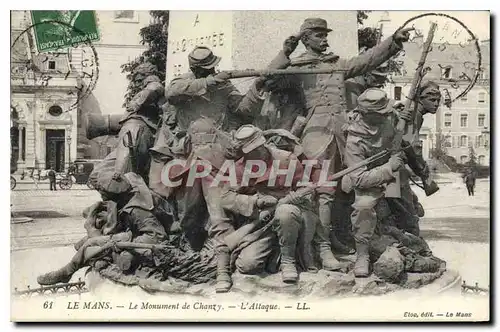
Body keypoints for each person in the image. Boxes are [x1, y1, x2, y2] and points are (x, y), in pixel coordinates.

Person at [265, 18, 412, 261]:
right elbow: (268, 80)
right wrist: (285, 53)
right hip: (315, 134)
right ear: (306, 38)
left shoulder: (337, 64)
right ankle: (322, 248)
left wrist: (393, 42)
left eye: (325, 34)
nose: (325, 39)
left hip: (343, 133)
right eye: (319, 35)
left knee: (346, 189)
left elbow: (365, 61)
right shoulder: (298, 67)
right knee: (322, 192)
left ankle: (339, 239)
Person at [216, 125, 342, 291]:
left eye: (259, 147)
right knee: (248, 265)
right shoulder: (240, 168)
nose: (257, 152)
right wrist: (256, 202)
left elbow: (306, 189)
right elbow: (225, 198)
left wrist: (296, 197)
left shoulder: (286, 159)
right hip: (263, 222)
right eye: (251, 150)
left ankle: (288, 261)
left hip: (292, 216)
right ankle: (274, 253)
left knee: (285, 213)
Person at [37, 172, 174, 285]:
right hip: (135, 233)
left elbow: (157, 236)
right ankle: (71, 268)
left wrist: (122, 239)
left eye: (104, 194)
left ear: (115, 195)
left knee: (91, 244)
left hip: (149, 243)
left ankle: (66, 272)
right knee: (87, 241)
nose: (102, 196)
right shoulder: (130, 189)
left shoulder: (137, 210)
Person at [342, 88, 409, 278]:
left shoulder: (387, 118)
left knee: (408, 208)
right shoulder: (354, 139)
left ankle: (410, 244)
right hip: (367, 183)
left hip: (392, 174)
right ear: (367, 114)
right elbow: (359, 179)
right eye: (381, 113)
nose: (385, 115)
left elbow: (397, 118)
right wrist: (389, 169)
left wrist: (405, 116)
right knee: (363, 207)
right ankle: (362, 255)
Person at [89, 63, 165, 188]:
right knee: (97, 174)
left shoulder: (153, 84)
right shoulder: (146, 90)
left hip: (135, 131)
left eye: (139, 79)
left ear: (145, 76)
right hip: (129, 134)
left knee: (121, 177)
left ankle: (128, 204)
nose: (136, 83)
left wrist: (137, 103)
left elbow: (154, 88)